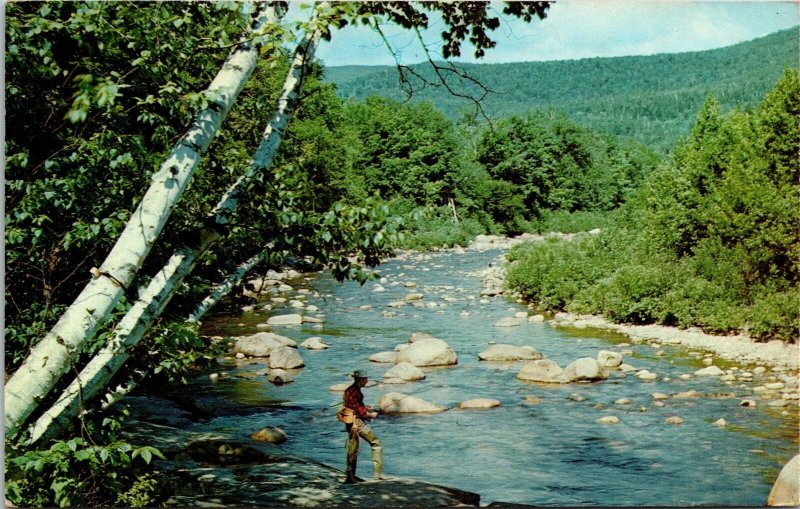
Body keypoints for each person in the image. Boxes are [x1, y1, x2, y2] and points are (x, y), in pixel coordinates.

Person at [341, 370, 383, 483]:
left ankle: (350, 476)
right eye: (366, 379)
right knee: (376, 443)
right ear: (361, 380)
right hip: (357, 423)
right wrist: (371, 414)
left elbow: (354, 406)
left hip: (349, 423)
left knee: (352, 449)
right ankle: (377, 476)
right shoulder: (355, 392)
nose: (367, 381)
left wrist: (366, 407)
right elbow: (362, 413)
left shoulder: (350, 390)